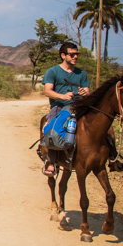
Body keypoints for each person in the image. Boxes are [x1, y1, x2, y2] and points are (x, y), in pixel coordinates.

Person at [40, 41, 91, 176]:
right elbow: (48, 91)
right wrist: (62, 96)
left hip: (80, 106)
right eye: (72, 54)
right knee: (53, 128)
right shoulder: (53, 71)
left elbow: (87, 90)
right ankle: (51, 161)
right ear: (63, 55)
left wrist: (85, 93)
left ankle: (112, 157)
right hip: (59, 107)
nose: (75, 57)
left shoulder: (81, 73)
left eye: (77, 54)